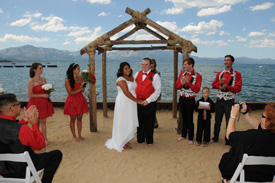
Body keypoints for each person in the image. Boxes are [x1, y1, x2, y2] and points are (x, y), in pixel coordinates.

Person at [0, 93, 62, 183]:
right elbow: (40, 145)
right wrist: (34, 124)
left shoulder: (20, 128)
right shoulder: (23, 130)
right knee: (56, 155)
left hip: (2, 170)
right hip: (21, 170)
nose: (20, 107)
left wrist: (25, 120)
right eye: (19, 104)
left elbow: (9, 129)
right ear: (12, 108)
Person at [219, 103, 275, 182]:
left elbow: (229, 135)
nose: (260, 118)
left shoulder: (251, 136)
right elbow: (259, 126)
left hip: (245, 177)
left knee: (228, 157)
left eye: (262, 116)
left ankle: (224, 180)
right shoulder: (267, 134)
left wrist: (233, 116)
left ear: (269, 121)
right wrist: (245, 113)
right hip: (266, 177)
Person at [105, 62, 142, 152]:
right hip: (124, 102)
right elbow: (126, 92)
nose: (128, 69)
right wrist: (137, 101)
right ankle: (121, 142)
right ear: (122, 70)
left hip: (131, 102)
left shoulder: (132, 77)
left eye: (129, 68)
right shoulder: (120, 79)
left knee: (129, 120)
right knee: (123, 120)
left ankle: (125, 139)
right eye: (126, 68)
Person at [211, 55, 242, 147]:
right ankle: (215, 138)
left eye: (228, 60)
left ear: (232, 62)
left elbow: (238, 88)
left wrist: (227, 87)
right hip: (219, 100)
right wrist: (219, 84)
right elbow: (213, 85)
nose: (226, 62)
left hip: (229, 101)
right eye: (225, 60)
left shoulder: (237, 74)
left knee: (229, 121)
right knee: (217, 121)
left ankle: (228, 141)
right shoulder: (220, 73)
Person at [134, 57, 161, 147]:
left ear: (150, 65)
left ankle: (149, 141)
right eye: (142, 64)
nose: (144, 66)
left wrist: (148, 100)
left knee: (149, 122)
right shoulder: (137, 73)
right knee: (139, 121)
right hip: (138, 102)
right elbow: (133, 86)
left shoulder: (155, 76)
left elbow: (157, 91)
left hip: (150, 103)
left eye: (146, 64)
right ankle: (140, 139)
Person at [176, 57, 202, 145]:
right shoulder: (182, 74)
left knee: (189, 118)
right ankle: (183, 135)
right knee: (183, 117)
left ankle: (191, 137)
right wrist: (182, 83)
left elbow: (197, 90)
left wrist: (189, 83)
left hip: (190, 99)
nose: (184, 66)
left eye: (185, 64)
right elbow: (177, 86)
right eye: (184, 64)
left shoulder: (198, 76)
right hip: (182, 99)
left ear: (191, 65)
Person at [27, 62, 54, 145]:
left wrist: (48, 93)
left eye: (42, 68)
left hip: (43, 103)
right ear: (35, 70)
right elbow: (29, 95)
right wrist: (42, 95)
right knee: (36, 123)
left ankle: (45, 139)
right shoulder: (31, 81)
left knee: (44, 122)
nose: (42, 70)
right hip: (35, 103)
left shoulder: (43, 79)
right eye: (40, 68)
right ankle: (36, 140)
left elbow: (45, 89)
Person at [64, 63, 89, 142]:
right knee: (73, 119)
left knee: (80, 118)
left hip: (80, 99)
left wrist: (84, 85)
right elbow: (70, 93)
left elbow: (83, 90)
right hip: (72, 100)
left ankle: (80, 135)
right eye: (78, 69)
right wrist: (80, 89)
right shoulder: (67, 80)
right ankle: (74, 136)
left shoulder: (80, 78)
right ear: (73, 70)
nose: (79, 70)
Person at [150, 58, 160, 128]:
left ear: (154, 64)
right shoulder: (147, 72)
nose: (151, 65)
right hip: (148, 92)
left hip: (154, 92)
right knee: (150, 108)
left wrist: (159, 95)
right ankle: (154, 122)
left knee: (152, 108)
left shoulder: (157, 73)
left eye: (152, 63)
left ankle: (154, 123)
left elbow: (159, 85)